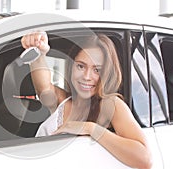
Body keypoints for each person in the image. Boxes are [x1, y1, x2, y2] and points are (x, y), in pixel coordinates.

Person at [21, 31, 152, 169]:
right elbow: (43, 88)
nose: (87, 76)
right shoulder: (63, 100)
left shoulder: (111, 104)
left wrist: (90, 128)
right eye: (81, 66)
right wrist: (40, 52)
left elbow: (145, 158)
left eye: (97, 70)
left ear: (107, 74)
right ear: (71, 66)